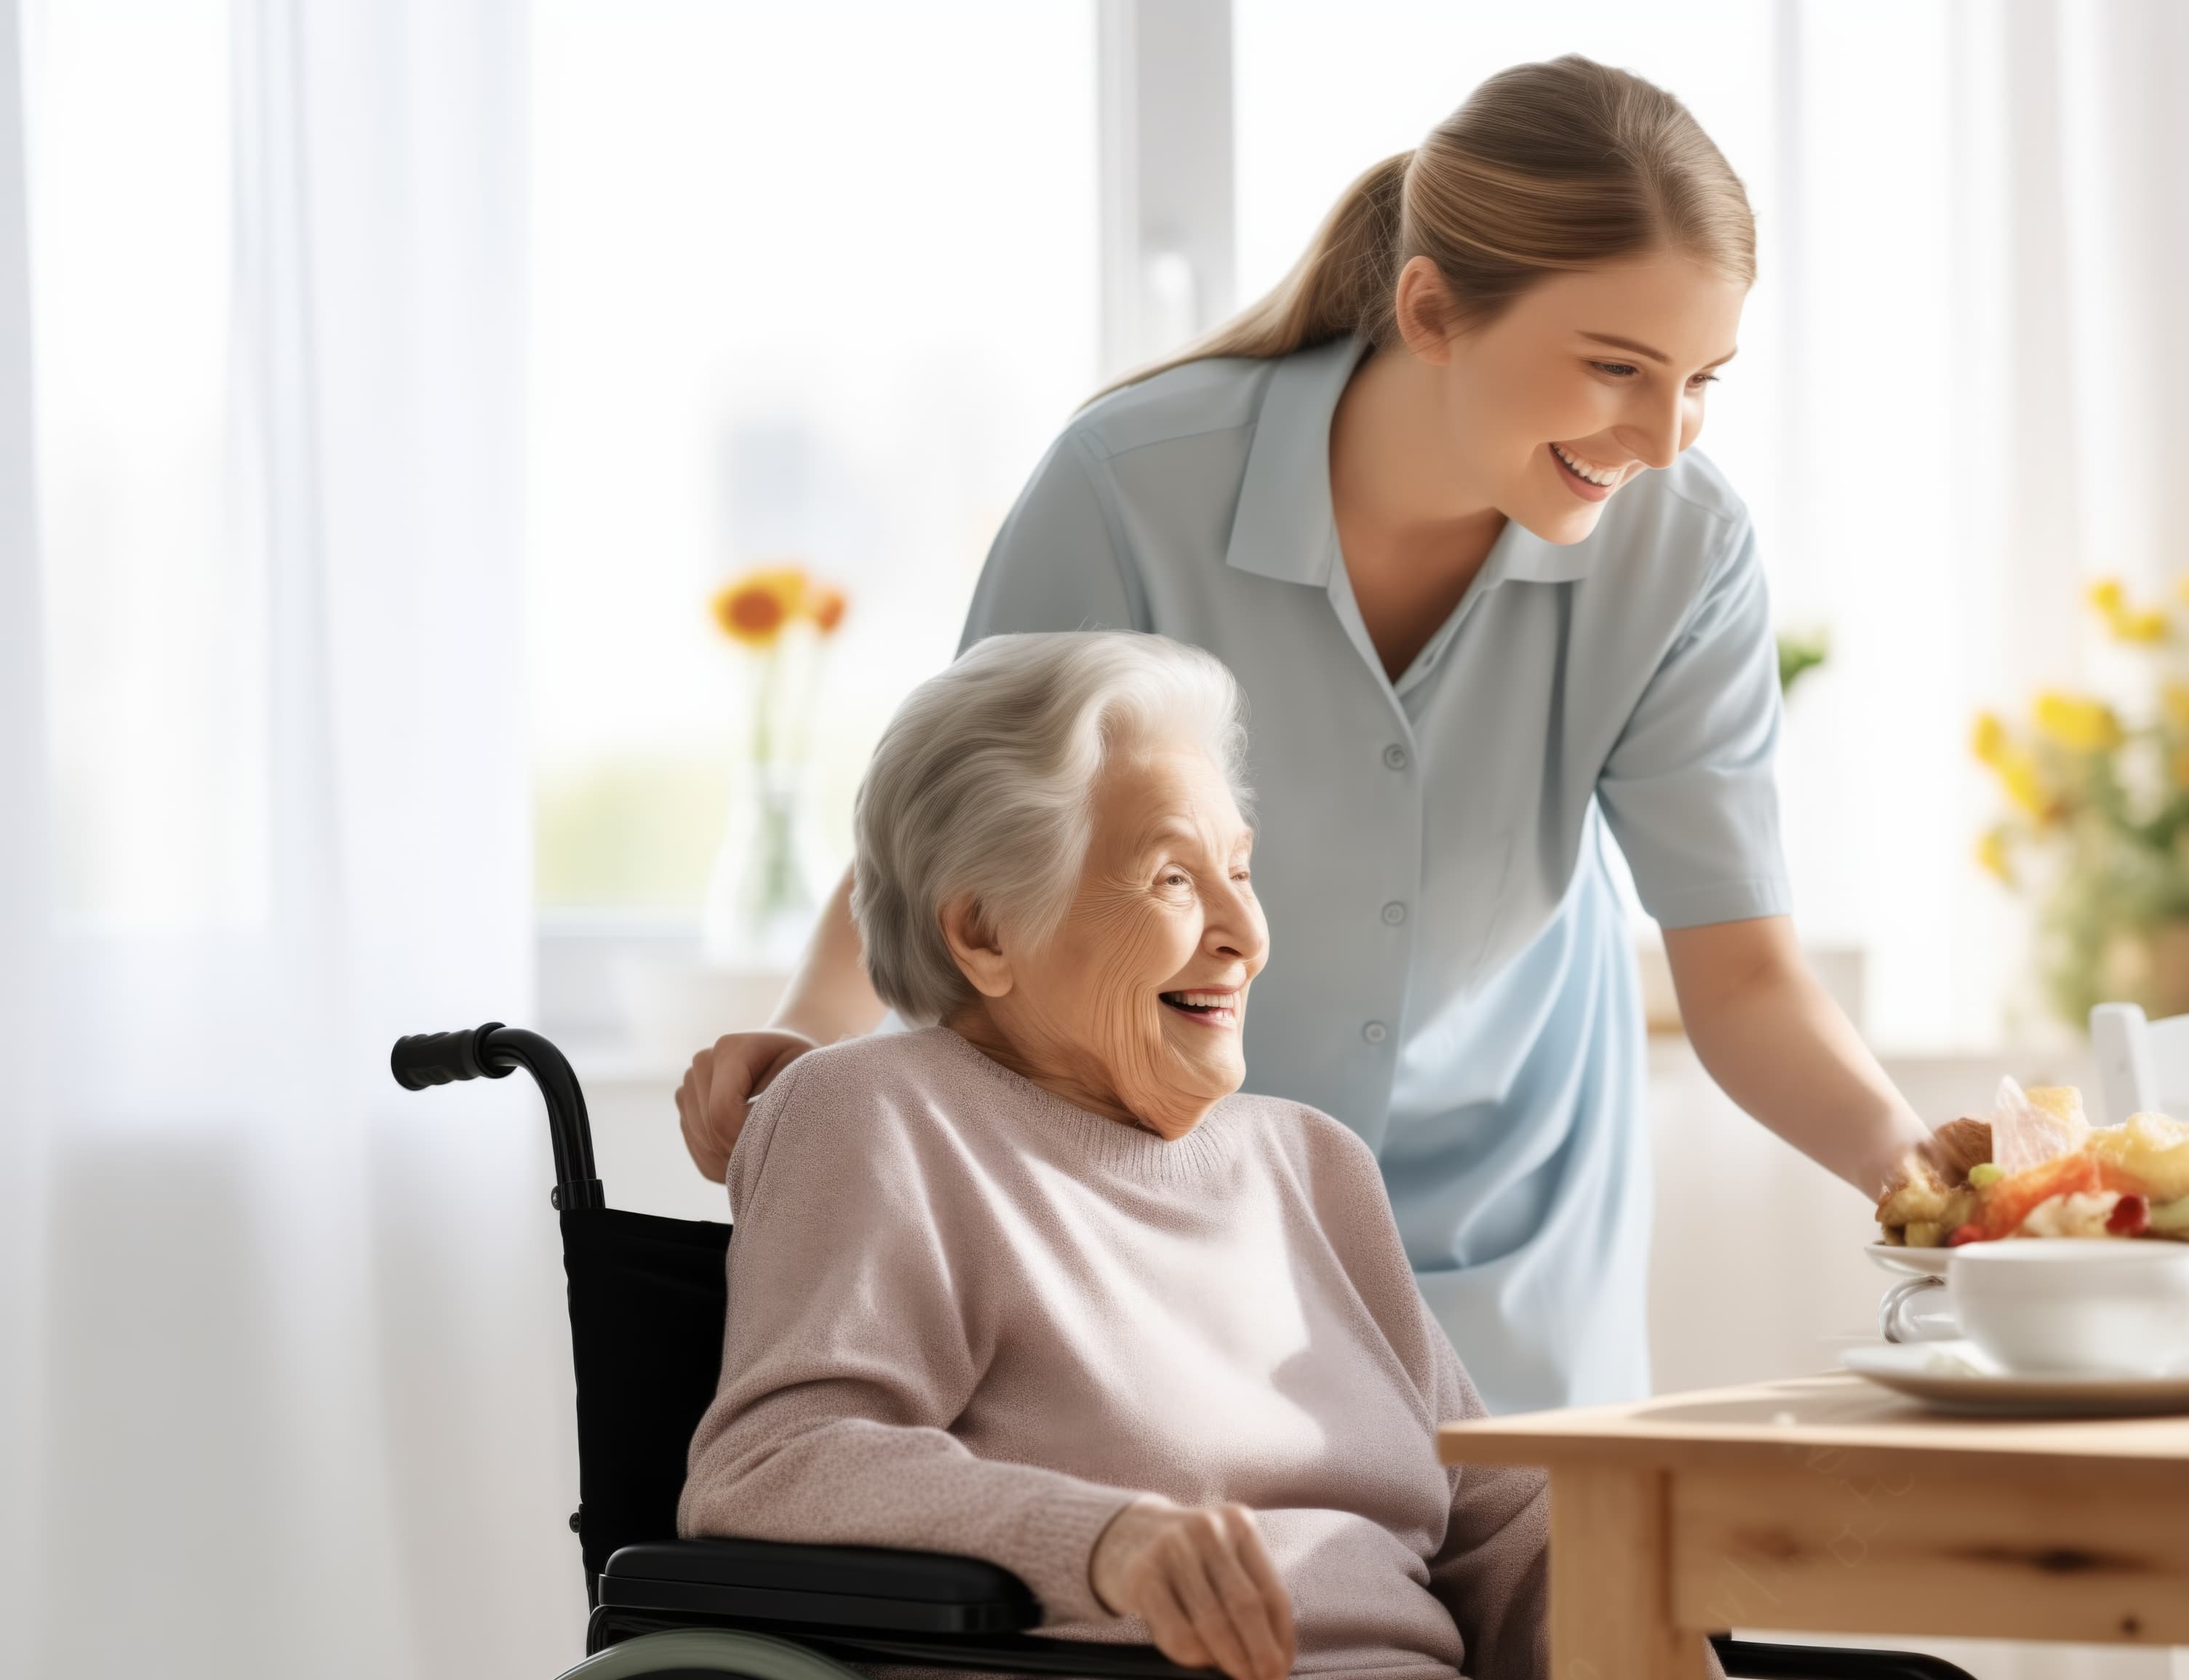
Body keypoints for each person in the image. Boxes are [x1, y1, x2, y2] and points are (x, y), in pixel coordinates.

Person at [679, 55, 1982, 1414]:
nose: (1662, 437)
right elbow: (944, 844)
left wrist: (1928, 1178)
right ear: (1431, 308)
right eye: (1615, 368)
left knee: (1541, 1615)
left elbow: (1747, 973)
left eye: (1701, 379)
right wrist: (809, 1038)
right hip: (1163, 1220)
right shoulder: (1137, 489)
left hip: (1514, 1247)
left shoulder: (1684, 549)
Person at [681, 631, 1906, 1680]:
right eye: (1172, 881)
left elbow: (1499, 1528)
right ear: (986, 930)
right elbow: (778, 1462)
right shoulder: (879, 1113)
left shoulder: (1311, 1167)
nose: (1243, 935)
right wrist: (1102, 1539)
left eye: (1242, 873)